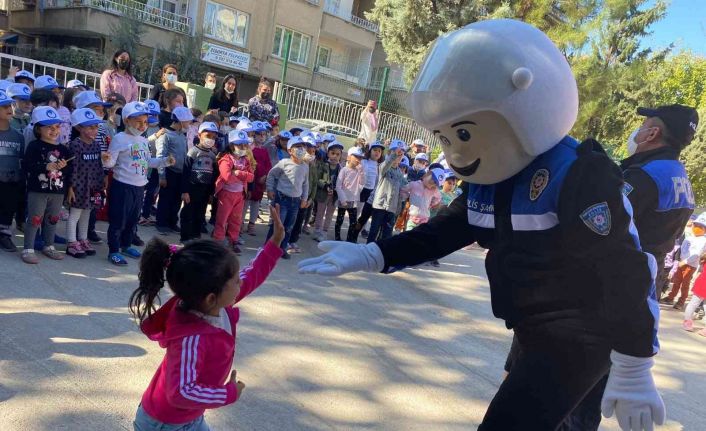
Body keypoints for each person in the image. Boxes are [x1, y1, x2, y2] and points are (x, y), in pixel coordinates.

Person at [299, 19, 664, 431]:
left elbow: (625, 268)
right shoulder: (495, 176)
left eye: (464, 133)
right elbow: (449, 228)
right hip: (533, 326)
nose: (454, 154)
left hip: (583, 332)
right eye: (444, 138)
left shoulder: (578, 176)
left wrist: (634, 362)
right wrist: (374, 253)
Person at [128, 205, 285, 431]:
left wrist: (274, 243)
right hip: (166, 424)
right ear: (211, 298)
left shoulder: (214, 304)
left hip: (188, 417)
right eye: (235, 281)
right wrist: (227, 393)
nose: (241, 283)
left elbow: (251, 276)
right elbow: (181, 392)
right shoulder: (191, 337)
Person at [101, 101, 175, 266]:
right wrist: (106, 159)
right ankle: (114, 250)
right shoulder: (119, 138)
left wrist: (165, 161)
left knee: (133, 219)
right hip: (122, 186)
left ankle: (126, 245)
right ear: (127, 120)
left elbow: (148, 161)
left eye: (145, 122)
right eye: (138, 121)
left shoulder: (143, 141)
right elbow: (110, 163)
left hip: (139, 187)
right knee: (118, 220)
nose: (143, 126)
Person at [21, 106, 73, 264]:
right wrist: (45, 166)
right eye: (49, 127)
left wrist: (64, 167)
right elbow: (27, 165)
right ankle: (28, 248)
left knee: (53, 219)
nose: (54, 130)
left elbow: (70, 169)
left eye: (57, 126)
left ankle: (49, 245)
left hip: (57, 191)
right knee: (35, 219)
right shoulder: (34, 146)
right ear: (38, 128)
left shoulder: (63, 149)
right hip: (38, 190)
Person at [65, 108, 105, 258]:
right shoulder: (75, 145)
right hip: (78, 185)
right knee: (75, 214)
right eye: (90, 127)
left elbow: (98, 165)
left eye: (96, 126)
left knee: (87, 213)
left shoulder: (96, 145)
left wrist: (100, 183)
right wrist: (70, 187)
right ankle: (71, 242)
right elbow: (72, 168)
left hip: (92, 185)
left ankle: (83, 238)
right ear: (78, 128)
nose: (94, 130)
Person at [265, 135, 309, 259]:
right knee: (278, 224)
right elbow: (271, 175)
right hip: (282, 199)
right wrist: (269, 189)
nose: (301, 149)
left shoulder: (305, 167)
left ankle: (282, 248)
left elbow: (306, 184)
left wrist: (304, 198)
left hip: (296, 201)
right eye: (297, 147)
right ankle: (268, 247)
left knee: (288, 226)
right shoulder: (284, 163)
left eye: (302, 147)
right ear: (290, 150)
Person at [213, 130, 254, 255]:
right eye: (239, 145)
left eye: (245, 145)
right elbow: (226, 177)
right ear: (231, 146)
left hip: (239, 195)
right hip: (226, 194)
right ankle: (218, 241)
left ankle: (233, 240)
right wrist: (242, 176)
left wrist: (238, 173)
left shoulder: (245, 160)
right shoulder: (226, 159)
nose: (243, 148)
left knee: (236, 219)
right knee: (222, 218)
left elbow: (251, 177)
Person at [155, 106, 193, 235]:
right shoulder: (166, 135)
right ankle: (161, 223)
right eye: (187, 121)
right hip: (169, 172)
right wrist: (162, 176)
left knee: (177, 200)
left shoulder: (182, 135)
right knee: (166, 199)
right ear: (180, 121)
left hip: (180, 173)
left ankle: (172, 222)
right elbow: (161, 156)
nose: (189, 124)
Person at [180, 122, 218, 243]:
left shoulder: (213, 155)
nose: (210, 139)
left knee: (200, 213)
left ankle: (196, 235)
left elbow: (214, 175)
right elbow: (185, 172)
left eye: (213, 137)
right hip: (192, 188)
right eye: (208, 135)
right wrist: (185, 191)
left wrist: (212, 193)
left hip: (205, 189)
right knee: (188, 213)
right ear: (199, 134)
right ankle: (185, 236)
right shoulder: (193, 152)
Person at [365, 140, 408, 243]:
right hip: (380, 205)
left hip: (391, 209)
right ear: (389, 153)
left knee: (386, 234)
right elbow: (386, 164)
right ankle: (368, 251)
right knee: (374, 230)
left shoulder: (400, 173)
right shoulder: (383, 167)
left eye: (400, 154)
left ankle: (380, 253)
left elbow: (404, 189)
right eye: (395, 152)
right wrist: (394, 155)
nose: (398, 155)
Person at [661, 217, 706, 309]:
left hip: (690, 265)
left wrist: (685, 262)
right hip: (680, 263)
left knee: (685, 284)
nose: (697, 227)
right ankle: (670, 297)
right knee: (676, 282)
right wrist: (678, 261)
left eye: (700, 226)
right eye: (696, 225)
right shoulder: (689, 237)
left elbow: (696, 254)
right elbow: (681, 249)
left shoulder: (703, 240)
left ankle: (681, 301)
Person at [0, 89, 25, 252]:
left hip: (10, 180)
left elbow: (20, 159)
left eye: (10, 105)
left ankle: (4, 234)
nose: (9, 108)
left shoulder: (17, 136)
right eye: (3, 106)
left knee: (8, 208)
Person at [348, 141, 385, 243]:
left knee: (365, 215)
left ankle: (359, 231)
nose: (377, 153)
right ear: (370, 150)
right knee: (357, 213)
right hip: (361, 191)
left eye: (379, 151)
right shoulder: (364, 162)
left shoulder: (380, 165)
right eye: (375, 150)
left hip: (372, 193)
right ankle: (352, 234)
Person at [288, 135, 319, 253]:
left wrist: (310, 198)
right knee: (291, 221)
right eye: (307, 149)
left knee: (299, 221)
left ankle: (293, 241)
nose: (311, 151)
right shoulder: (295, 164)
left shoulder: (313, 165)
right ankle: (286, 241)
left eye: (313, 149)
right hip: (295, 197)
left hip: (305, 200)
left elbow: (314, 183)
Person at [243, 121, 273, 236]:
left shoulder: (265, 151)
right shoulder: (249, 149)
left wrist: (265, 176)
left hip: (260, 183)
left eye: (264, 134)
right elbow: (249, 164)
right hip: (251, 181)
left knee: (256, 204)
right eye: (259, 134)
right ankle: (240, 224)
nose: (262, 136)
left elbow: (268, 165)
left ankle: (251, 225)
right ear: (253, 134)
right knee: (245, 203)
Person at [312, 141, 343, 242]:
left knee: (329, 214)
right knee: (320, 213)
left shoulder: (341, 168)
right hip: (323, 194)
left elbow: (343, 182)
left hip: (334, 196)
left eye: (338, 154)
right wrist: (325, 185)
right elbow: (317, 178)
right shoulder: (323, 165)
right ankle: (317, 231)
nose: (335, 156)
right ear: (328, 153)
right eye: (333, 153)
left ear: (341, 156)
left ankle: (324, 232)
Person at [334, 146, 366, 242]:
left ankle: (350, 239)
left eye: (360, 158)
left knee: (353, 222)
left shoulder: (359, 171)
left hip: (353, 201)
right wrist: (343, 199)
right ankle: (337, 238)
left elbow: (362, 183)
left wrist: (361, 172)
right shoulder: (344, 170)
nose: (358, 159)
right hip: (343, 200)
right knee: (340, 220)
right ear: (349, 157)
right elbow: (338, 186)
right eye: (356, 156)